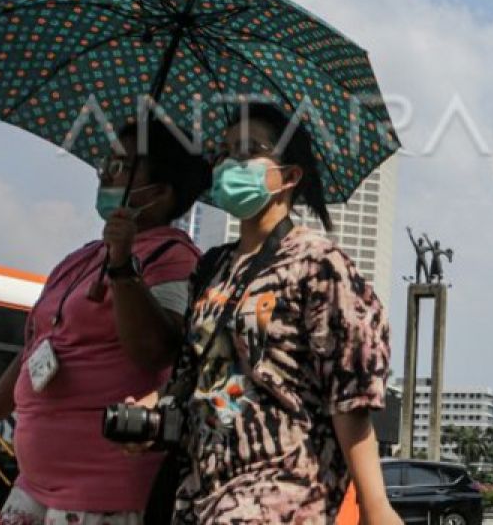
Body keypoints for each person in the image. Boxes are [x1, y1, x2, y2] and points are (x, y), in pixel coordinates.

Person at [0, 119, 212, 525]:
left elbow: (154, 351)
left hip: (104, 491)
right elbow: (37, 350)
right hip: (33, 484)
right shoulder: (81, 258)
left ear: (159, 193)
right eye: (106, 162)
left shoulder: (174, 257)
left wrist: (124, 268)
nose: (104, 172)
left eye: (122, 167)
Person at [157, 103, 399, 524]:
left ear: (289, 177)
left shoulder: (319, 263)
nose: (232, 162)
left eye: (251, 150)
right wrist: (149, 412)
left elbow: (350, 393)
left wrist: (375, 506)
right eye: (226, 151)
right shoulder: (212, 267)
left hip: (283, 491)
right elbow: (192, 373)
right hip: (199, 491)